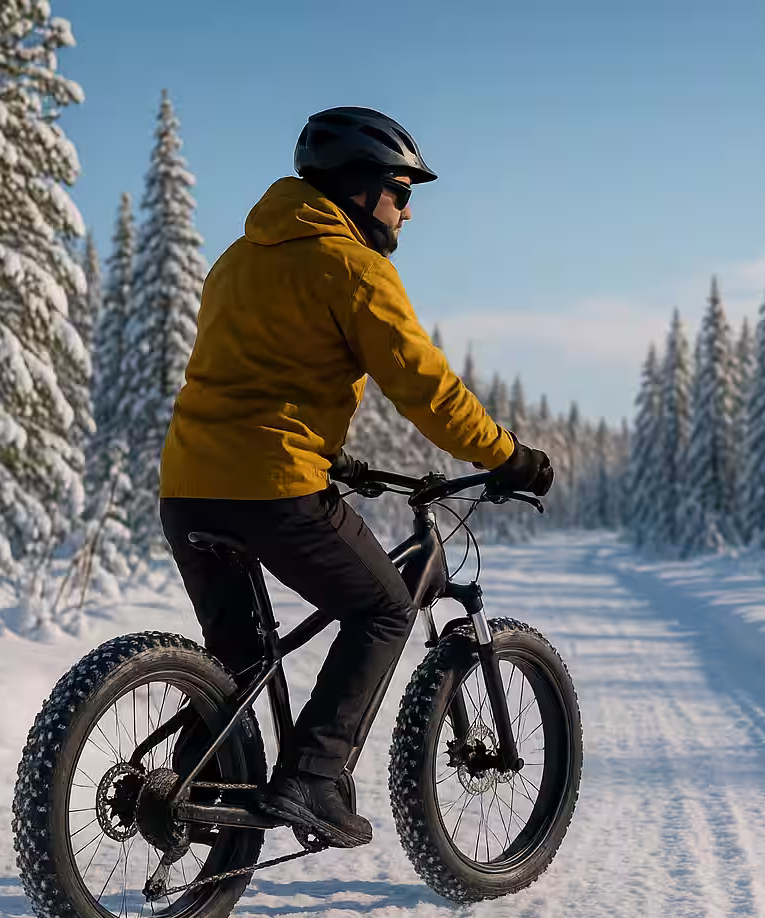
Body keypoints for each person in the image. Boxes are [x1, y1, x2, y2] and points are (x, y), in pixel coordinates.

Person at [156, 107, 553, 848]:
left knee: (239, 657)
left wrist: (329, 453)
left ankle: (196, 790)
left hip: (186, 487)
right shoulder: (353, 266)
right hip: (272, 488)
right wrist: (506, 455)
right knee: (385, 609)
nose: (408, 208)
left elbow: (250, 376)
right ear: (362, 187)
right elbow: (426, 387)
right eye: (402, 190)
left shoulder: (238, 258)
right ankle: (312, 777)